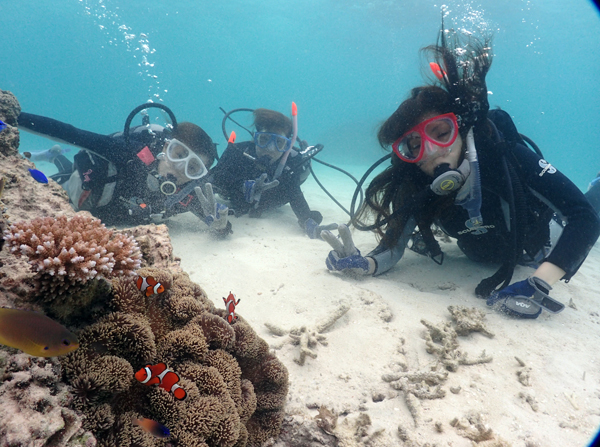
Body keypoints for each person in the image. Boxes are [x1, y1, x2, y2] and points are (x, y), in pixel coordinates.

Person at [322, 25, 600, 319]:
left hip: (540, 243)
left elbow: (583, 218)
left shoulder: (504, 156)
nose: (432, 150)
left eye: (441, 133)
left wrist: (540, 282)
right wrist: (366, 264)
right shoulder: (417, 183)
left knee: (592, 205)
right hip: (479, 254)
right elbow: (392, 247)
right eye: (415, 145)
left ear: (460, 128)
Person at [17, 105, 232, 235]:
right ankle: (54, 156)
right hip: (86, 192)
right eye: (178, 154)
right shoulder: (127, 153)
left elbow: (217, 224)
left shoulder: (189, 194)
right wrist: (12, 116)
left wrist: (220, 227)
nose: (179, 168)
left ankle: (54, 156)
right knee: (59, 182)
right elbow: (71, 133)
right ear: (166, 146)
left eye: (193, 168)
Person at [207, 107, 336, 238]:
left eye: (279, 142)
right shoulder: (237, 152)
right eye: (264, 139)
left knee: (290, 178)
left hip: (271, 200)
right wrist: (241, 185)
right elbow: (214, 178)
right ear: (254, 138)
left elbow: (294, 191)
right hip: (236, 198)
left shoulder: (290, 162)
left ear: (287, 145)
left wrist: (307, 220)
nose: (270, 148)